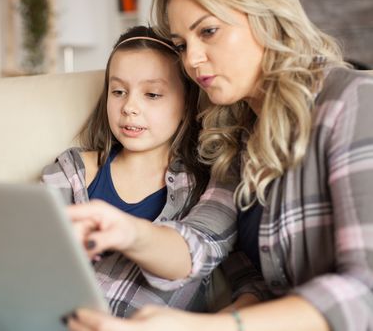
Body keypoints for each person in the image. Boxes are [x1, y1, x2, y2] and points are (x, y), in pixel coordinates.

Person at [64, 0, 373, 330]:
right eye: (182, 45)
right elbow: (199, 242)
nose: (192, 60)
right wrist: (129, 231)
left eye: (208, 31)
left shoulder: (353, 102)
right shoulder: (241, 138)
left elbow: (365, 292)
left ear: (266, 18)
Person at [42, 26, 264, 317]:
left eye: (152, 94)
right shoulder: (71, 173)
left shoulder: (205, 192)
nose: (129, 107)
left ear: (187, 102)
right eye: (118, 91)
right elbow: (27, 258)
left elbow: (252, 281)